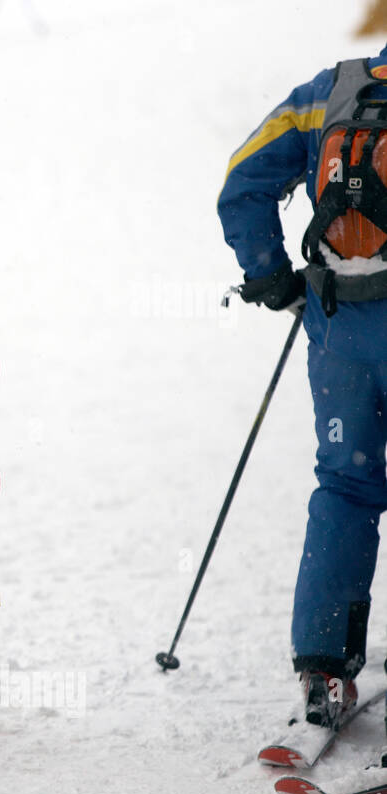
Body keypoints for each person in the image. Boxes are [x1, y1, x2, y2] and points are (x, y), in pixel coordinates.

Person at [218, 50, 387, 728]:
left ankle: (323, 666)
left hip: (341, 326)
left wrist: (272, 275)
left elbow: (242, 181)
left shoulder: (328, 92)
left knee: (346, 487)